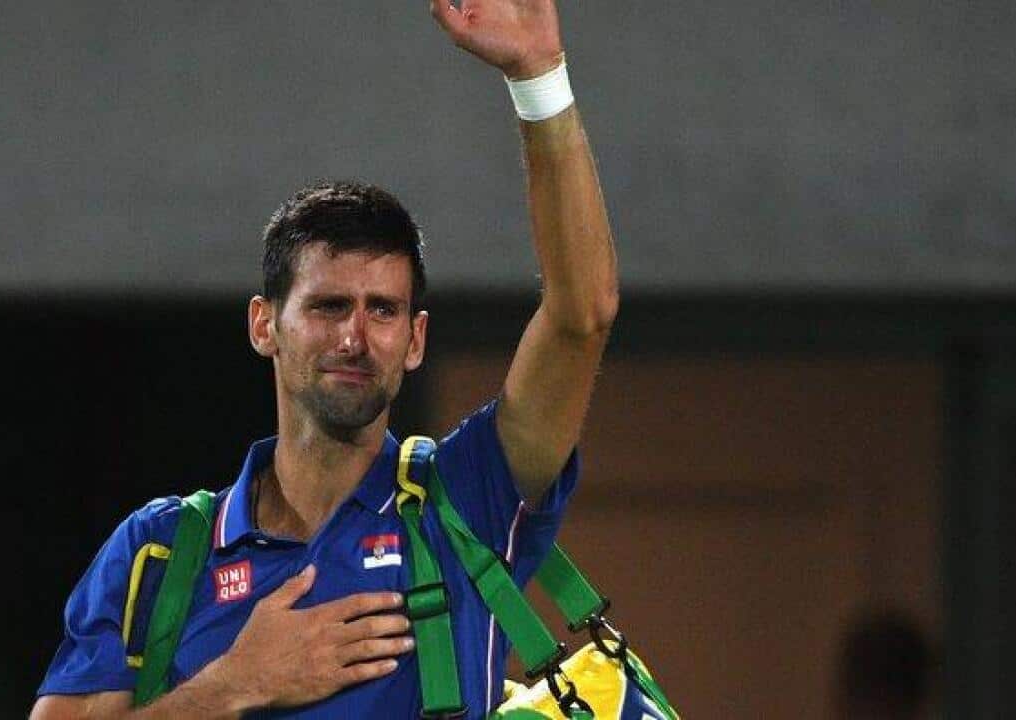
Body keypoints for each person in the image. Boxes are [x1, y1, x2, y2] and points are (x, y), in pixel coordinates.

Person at [30, 0, 617, 717]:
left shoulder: (469, 501)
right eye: (329, 306)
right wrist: (235, 684)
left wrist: (538, 79)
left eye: (383, 310)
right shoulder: (157, 552)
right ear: (264, 325)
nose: (355, 338)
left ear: (416, 339)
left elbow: (580, 318)